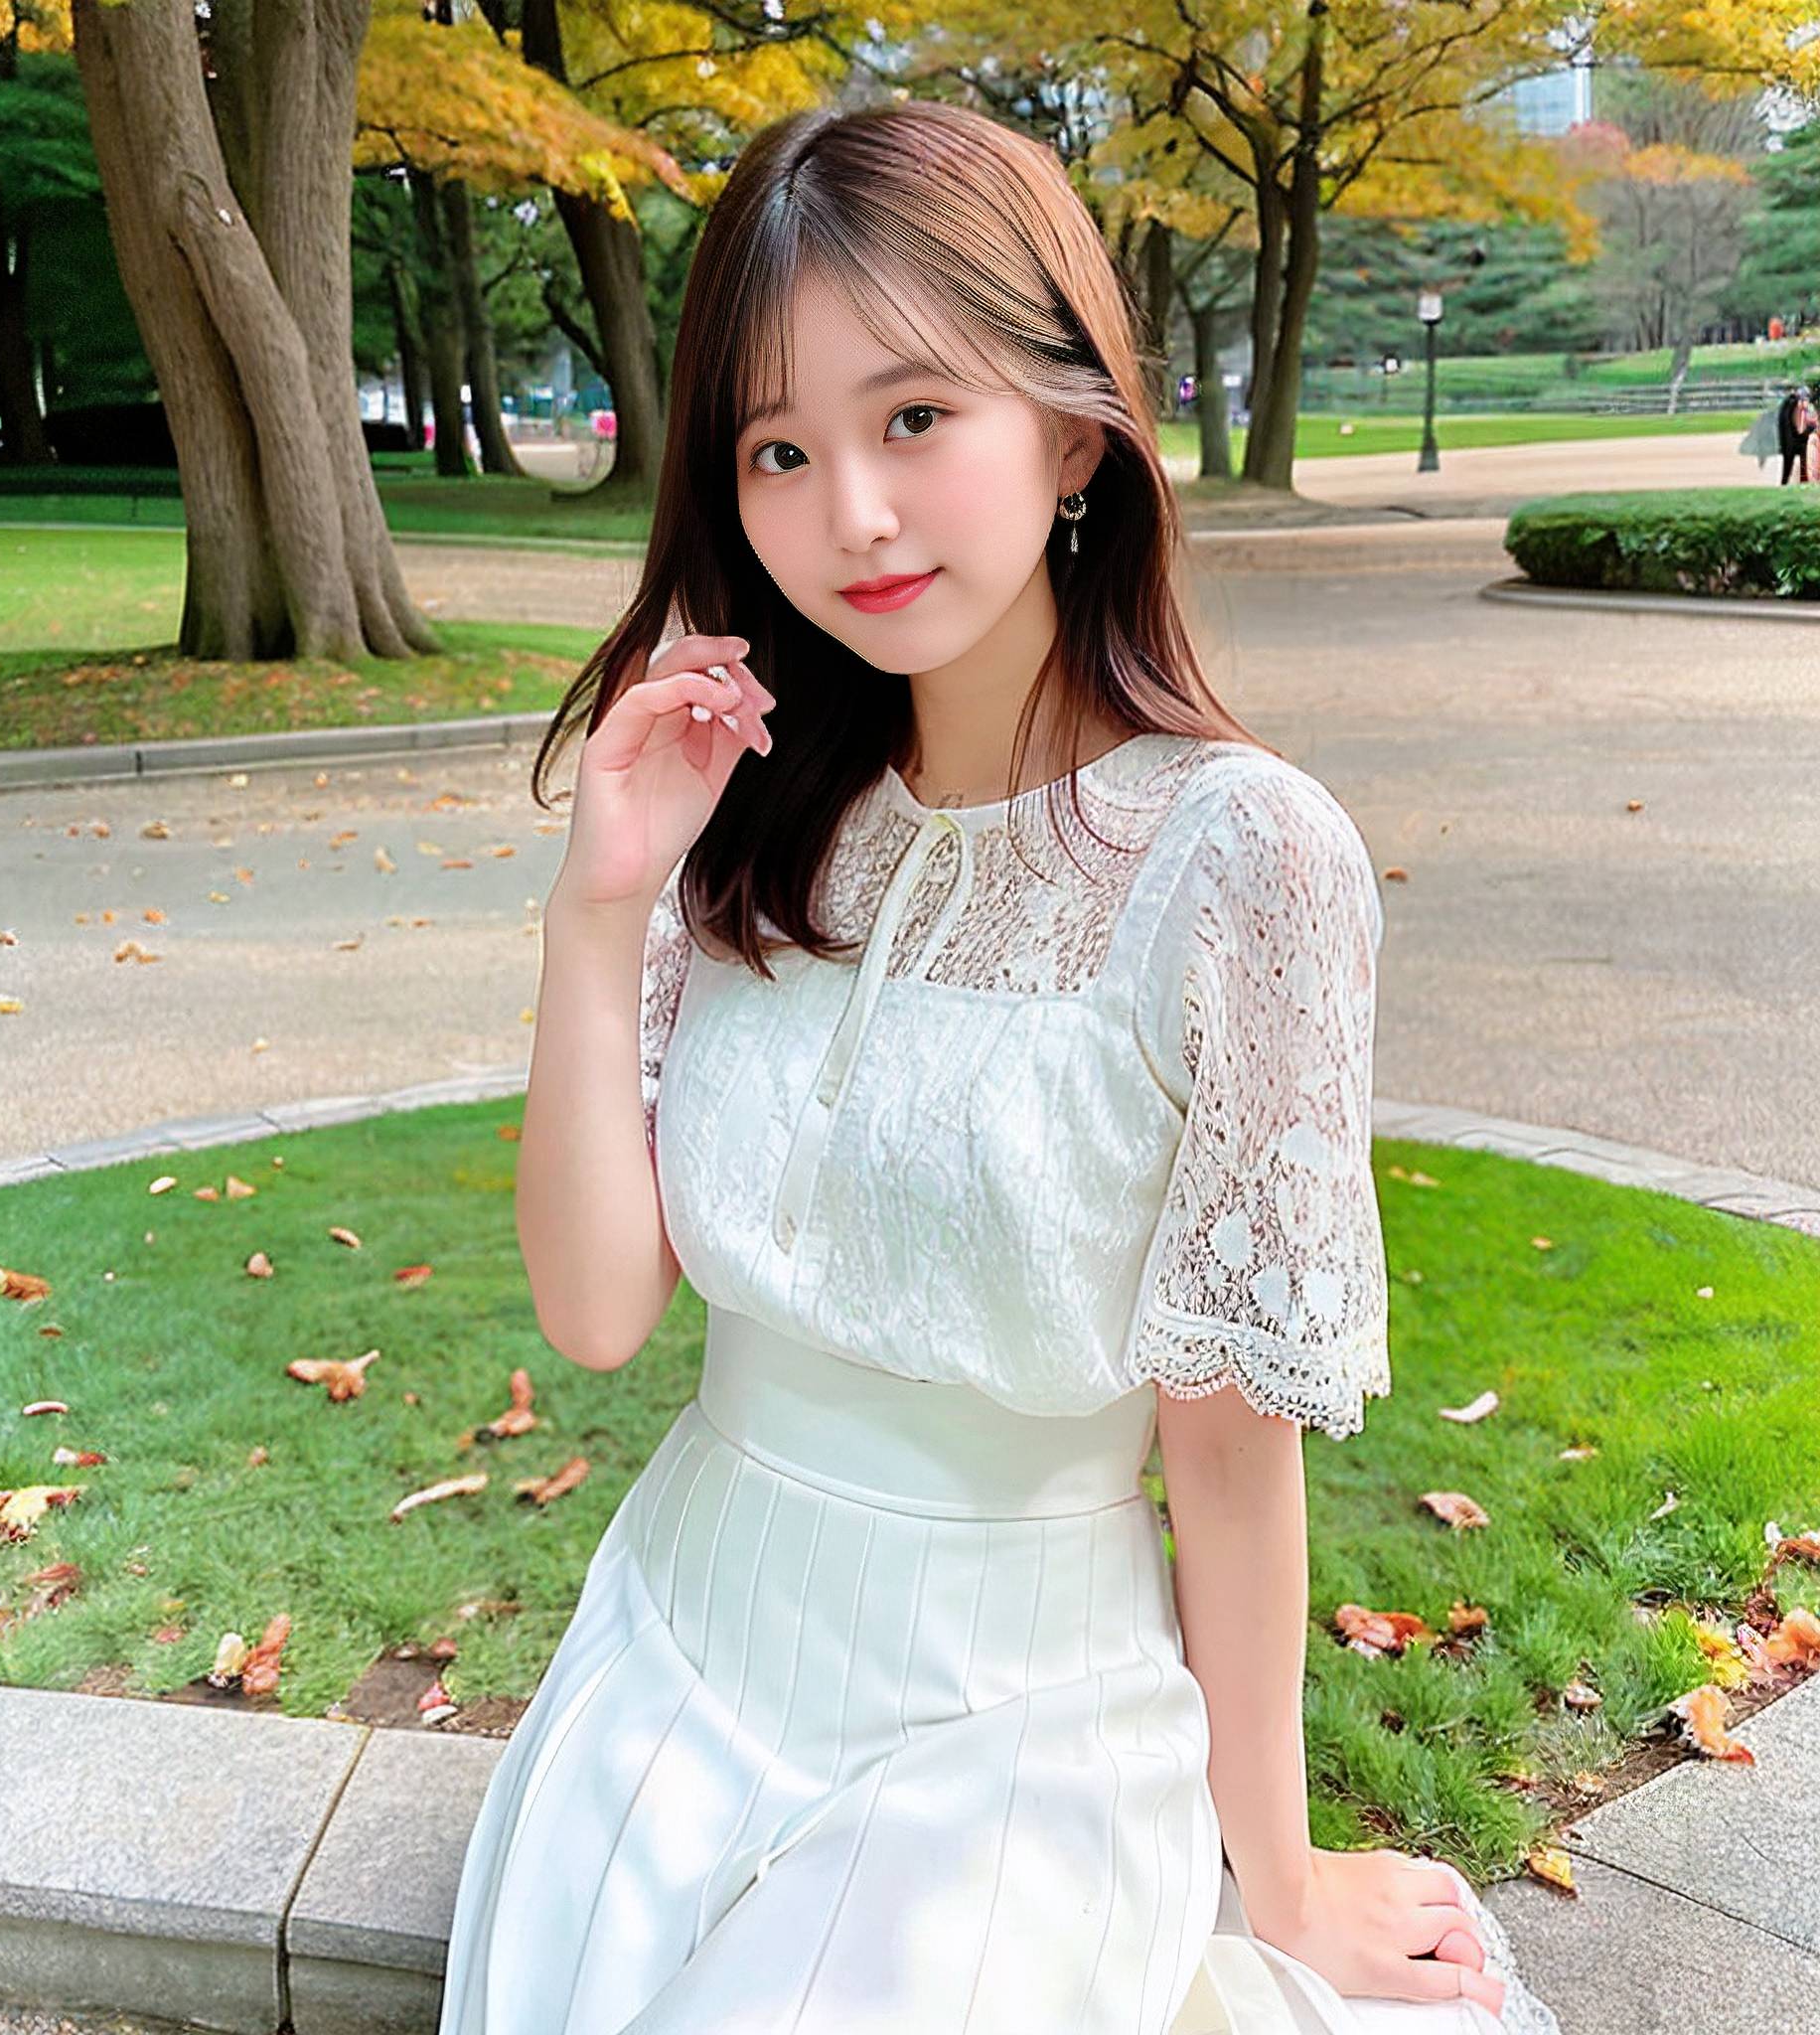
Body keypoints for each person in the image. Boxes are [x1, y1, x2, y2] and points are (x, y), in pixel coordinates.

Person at [436, 101, 1562, 2035]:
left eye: (910, 419)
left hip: (1005, 1724)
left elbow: (1224, 1443)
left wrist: (1273, 1873)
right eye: (777, 447)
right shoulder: (756, 811)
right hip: (680, 1660)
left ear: (1066, 429)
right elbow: (602, 1309)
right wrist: (595, 909)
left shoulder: (1237, 855)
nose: (847, 513)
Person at [1775, 384, 1814, 484]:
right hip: (1796, 442)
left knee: (1788, 472)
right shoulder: (1795, 406)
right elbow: (1801, 428)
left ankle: (1786, 485)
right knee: (1801, 470)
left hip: (1788, 443)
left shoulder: (1786, 404)